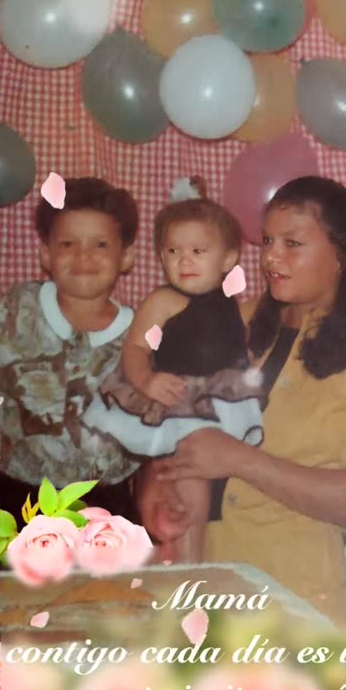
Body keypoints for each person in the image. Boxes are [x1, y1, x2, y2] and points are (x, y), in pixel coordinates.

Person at [138, 176, 346, 627]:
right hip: (186, 589)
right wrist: (156, 487)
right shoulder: (230, 319)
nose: (271, 256)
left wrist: (240, 460)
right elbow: (164, 425)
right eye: (268, 241)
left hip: (289, 601)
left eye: (293, 243)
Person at [83, 177, 263, 562]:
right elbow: (136, 348)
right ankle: (186, 563)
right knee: (188, 481)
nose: (184, 260)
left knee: (206, 486)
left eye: (198, 251)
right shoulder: (164, 301)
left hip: (218, 399)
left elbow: (230, 345)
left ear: (228, 259)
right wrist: (146, 380)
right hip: (177, 400)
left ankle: (188, 560)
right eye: (173, 251)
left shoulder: (230, 302)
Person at [0, 177, 140, 528]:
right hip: (19, 493)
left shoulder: (140, 336)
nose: (83, 256)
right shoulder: (19, 307)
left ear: (126, 257)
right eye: (68, 243)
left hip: (104, 503)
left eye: (100, 244)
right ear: (46, 254)